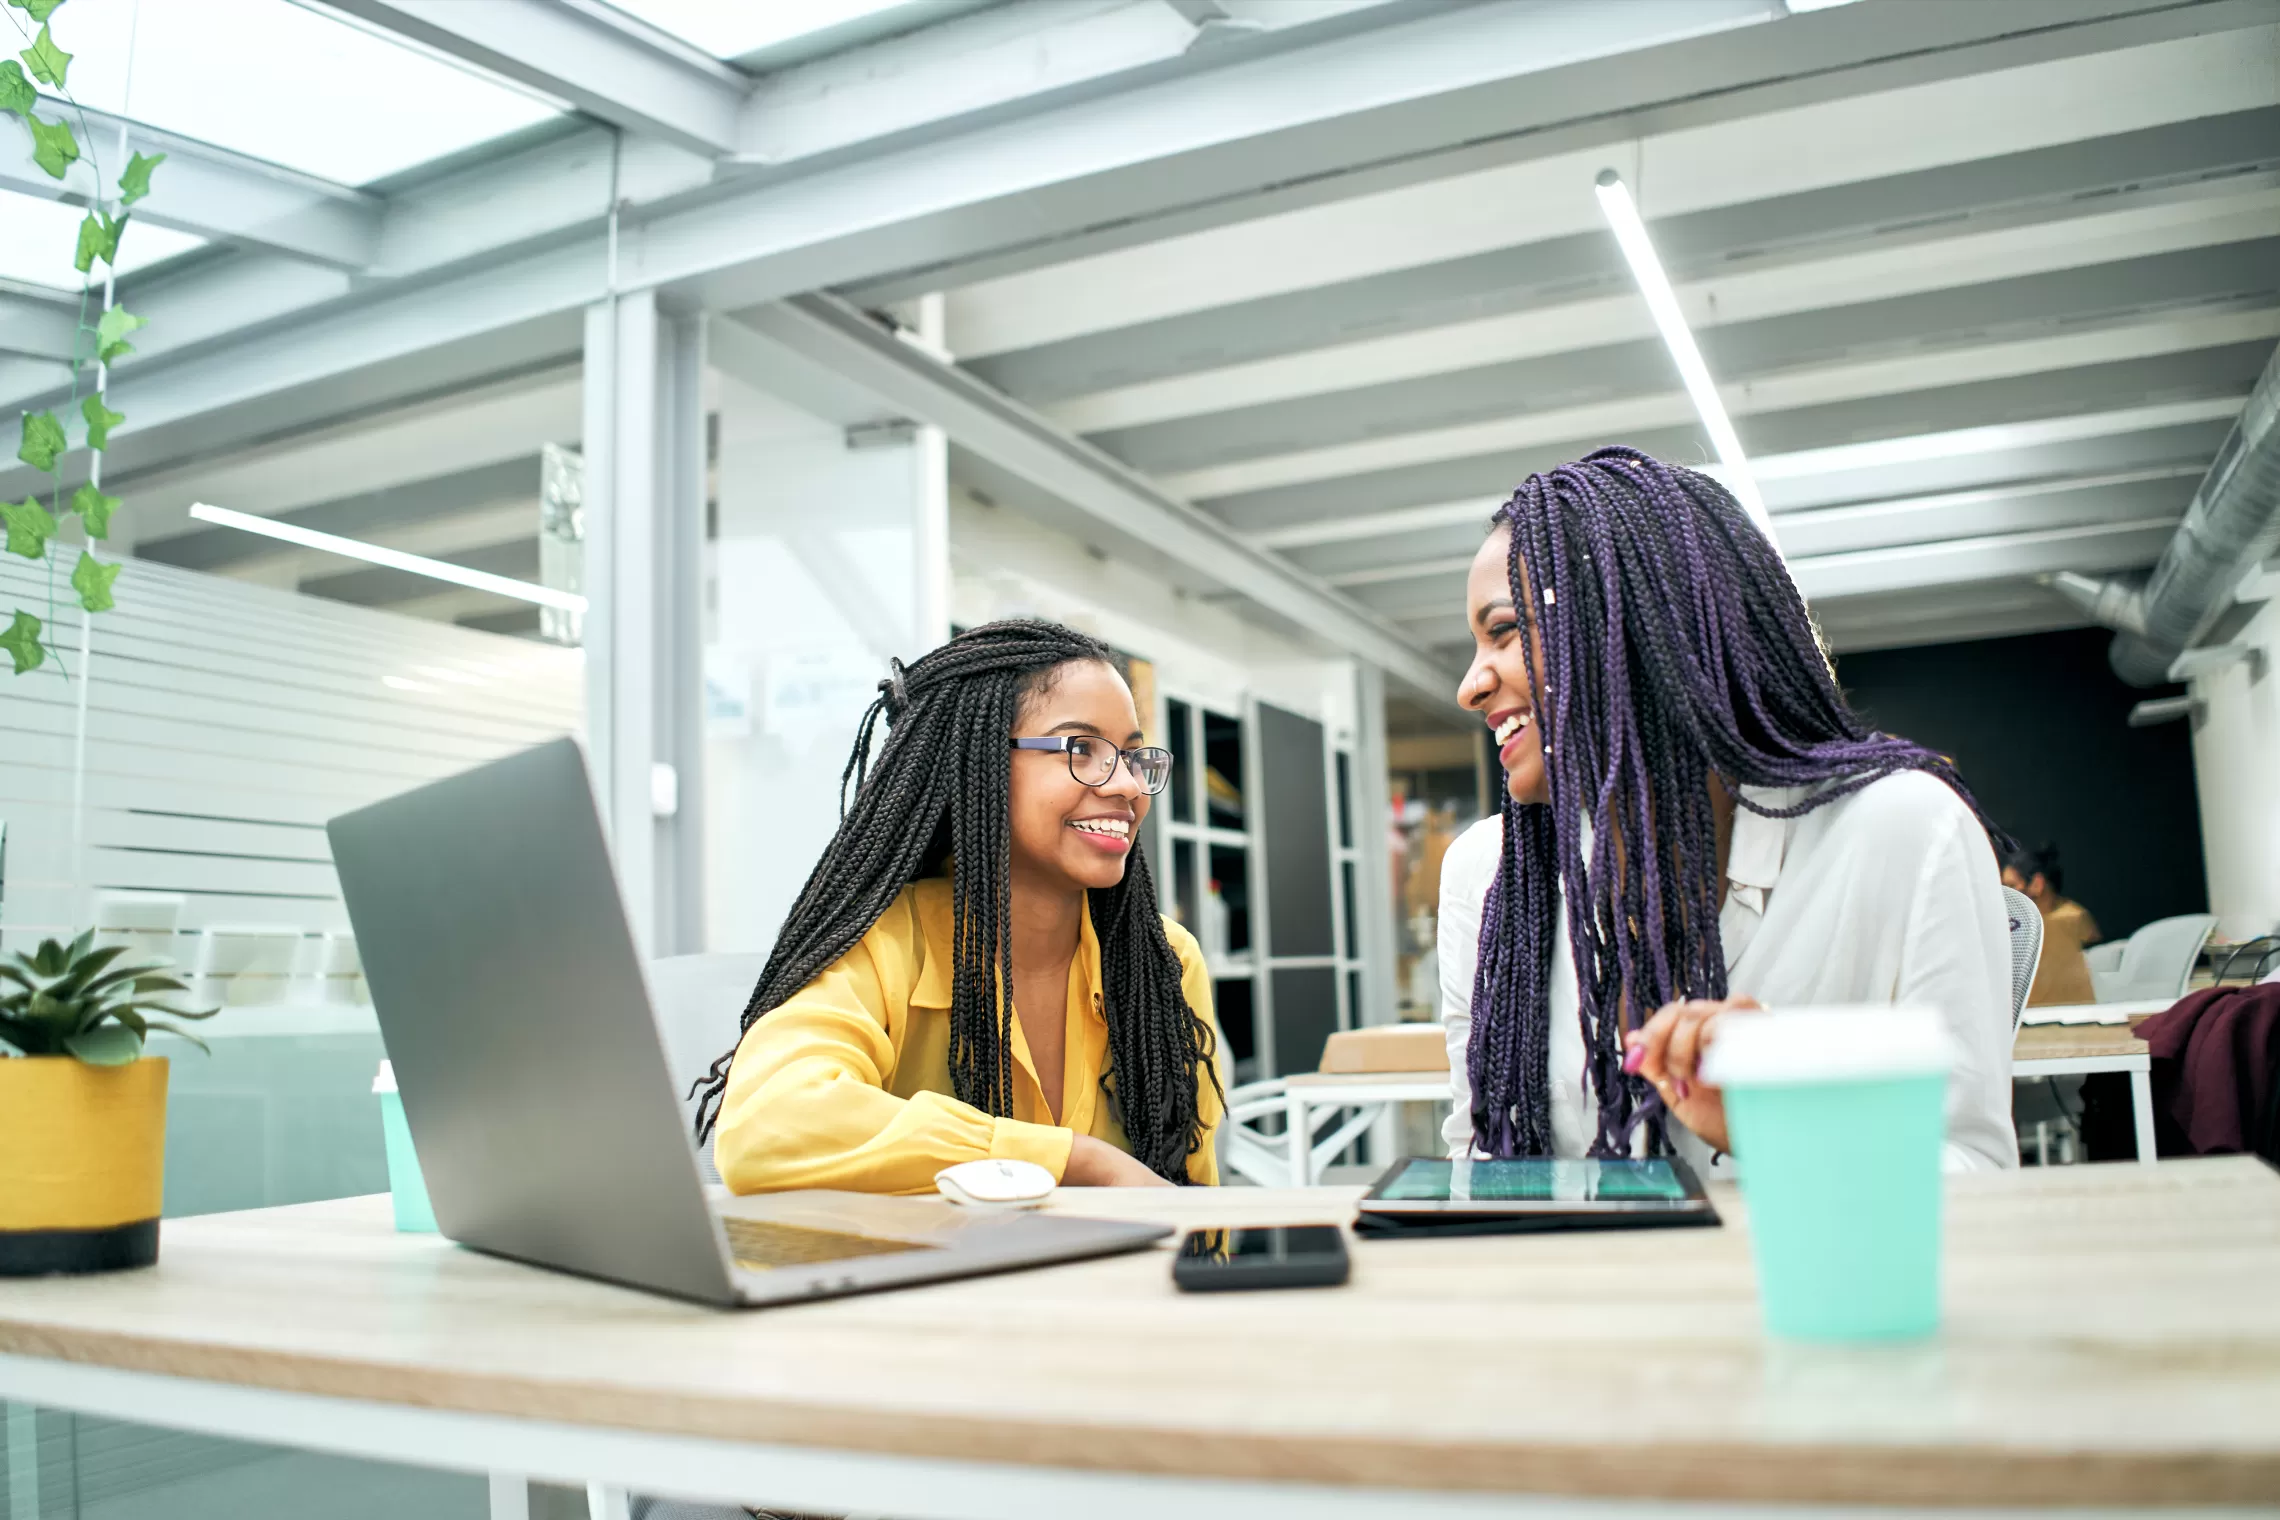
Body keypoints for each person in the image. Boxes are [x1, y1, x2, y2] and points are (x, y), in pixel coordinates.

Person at [1439, 446, 2017, 1175]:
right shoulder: (1486, 874)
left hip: (1808, 1286)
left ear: (1636, 631)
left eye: (1503, 632)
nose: (1470, 686)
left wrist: (1778, 1125)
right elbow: (1475, 1159)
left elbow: (1974, 1169)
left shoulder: (1904, 833)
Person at [691, 620, 1224, 1192]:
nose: (1126, 785)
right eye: (1081, 749)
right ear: (978, 760)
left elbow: (1196, 1200)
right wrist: (1073, 1161)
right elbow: (766, 1127)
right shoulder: (887, 943)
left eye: (1133, 757)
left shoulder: (1165, 958)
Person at [2001, 841, 2101, 1007]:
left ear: (2037, 884)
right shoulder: (2075, 915)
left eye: (2011, 886)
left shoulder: (2070, 920)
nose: (2005, 896)